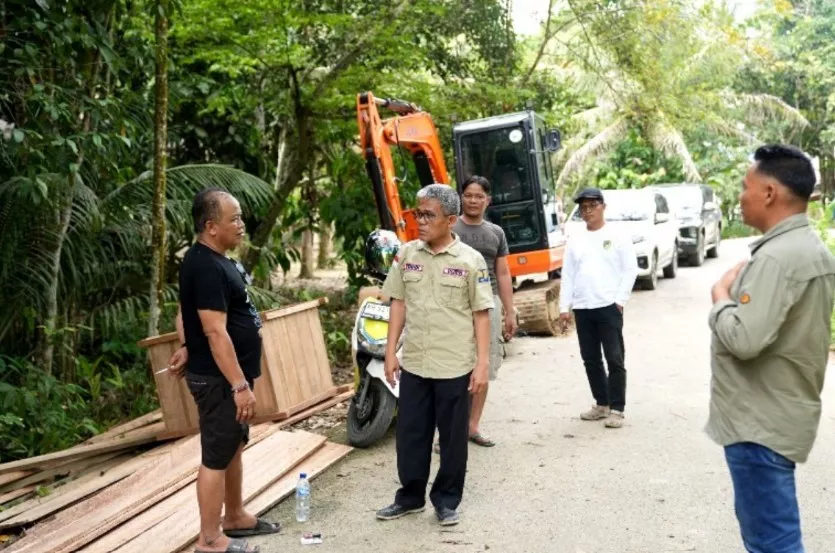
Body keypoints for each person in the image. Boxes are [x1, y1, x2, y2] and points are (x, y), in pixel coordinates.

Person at [707, 144, 835, 553]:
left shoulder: (779, 258)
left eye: (746, 187)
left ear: (768, 193)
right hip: (773, 416)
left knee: (773, 543)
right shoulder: (802, 248)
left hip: (760, 425)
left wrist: (720, 296)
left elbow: (745, 339)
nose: (739, 198)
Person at [167, 188, 280, 553]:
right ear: (212, 226)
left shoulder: (216, 260)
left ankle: (234, 516)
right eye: (234, 219)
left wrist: (186, 345)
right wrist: (238, 386)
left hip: (230, 377)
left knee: (232, 445)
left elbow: (184, 313)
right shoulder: (204, 264)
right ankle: (210, 539)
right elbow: (215, 331)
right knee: (215, 455)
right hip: (220, 381)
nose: (241, 224)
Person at [375, 184, 494, 526]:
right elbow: (398, 302)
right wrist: (390, 352)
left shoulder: (470, 262)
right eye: (417, 214)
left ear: (451, 220)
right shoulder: (407, 255)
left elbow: (481, 314)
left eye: (428, 215)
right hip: (414, 361)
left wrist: (482, 365)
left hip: (454, 365)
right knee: (411, 435)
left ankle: (446, 500)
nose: (420, 221)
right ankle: (410, 497)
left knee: (453, 440)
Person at [558, 187, 638, 429]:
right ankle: (601, 403)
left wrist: (619, 300)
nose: (587, 211)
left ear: (603, 206)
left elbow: (630, 269)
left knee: (614, 358)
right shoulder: (575, 239)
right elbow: (568, 275)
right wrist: (565, 307)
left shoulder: (618, 235)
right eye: (583, 207)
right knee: (590, 359)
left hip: (608, 306)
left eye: (592, 206)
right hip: (583, 307)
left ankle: (617, 408)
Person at [452, 175, 517, 447]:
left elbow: (502, 272)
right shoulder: (450, 227)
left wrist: (509, 311)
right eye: (468, 195)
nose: (474, 200)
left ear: (487, 200)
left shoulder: (496, 233)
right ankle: (450, 430)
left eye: (479, 196)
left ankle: (472, 426)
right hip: (454, 303)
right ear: (461, 197)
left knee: (484, 365)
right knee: (454, 368)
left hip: (488, 302)